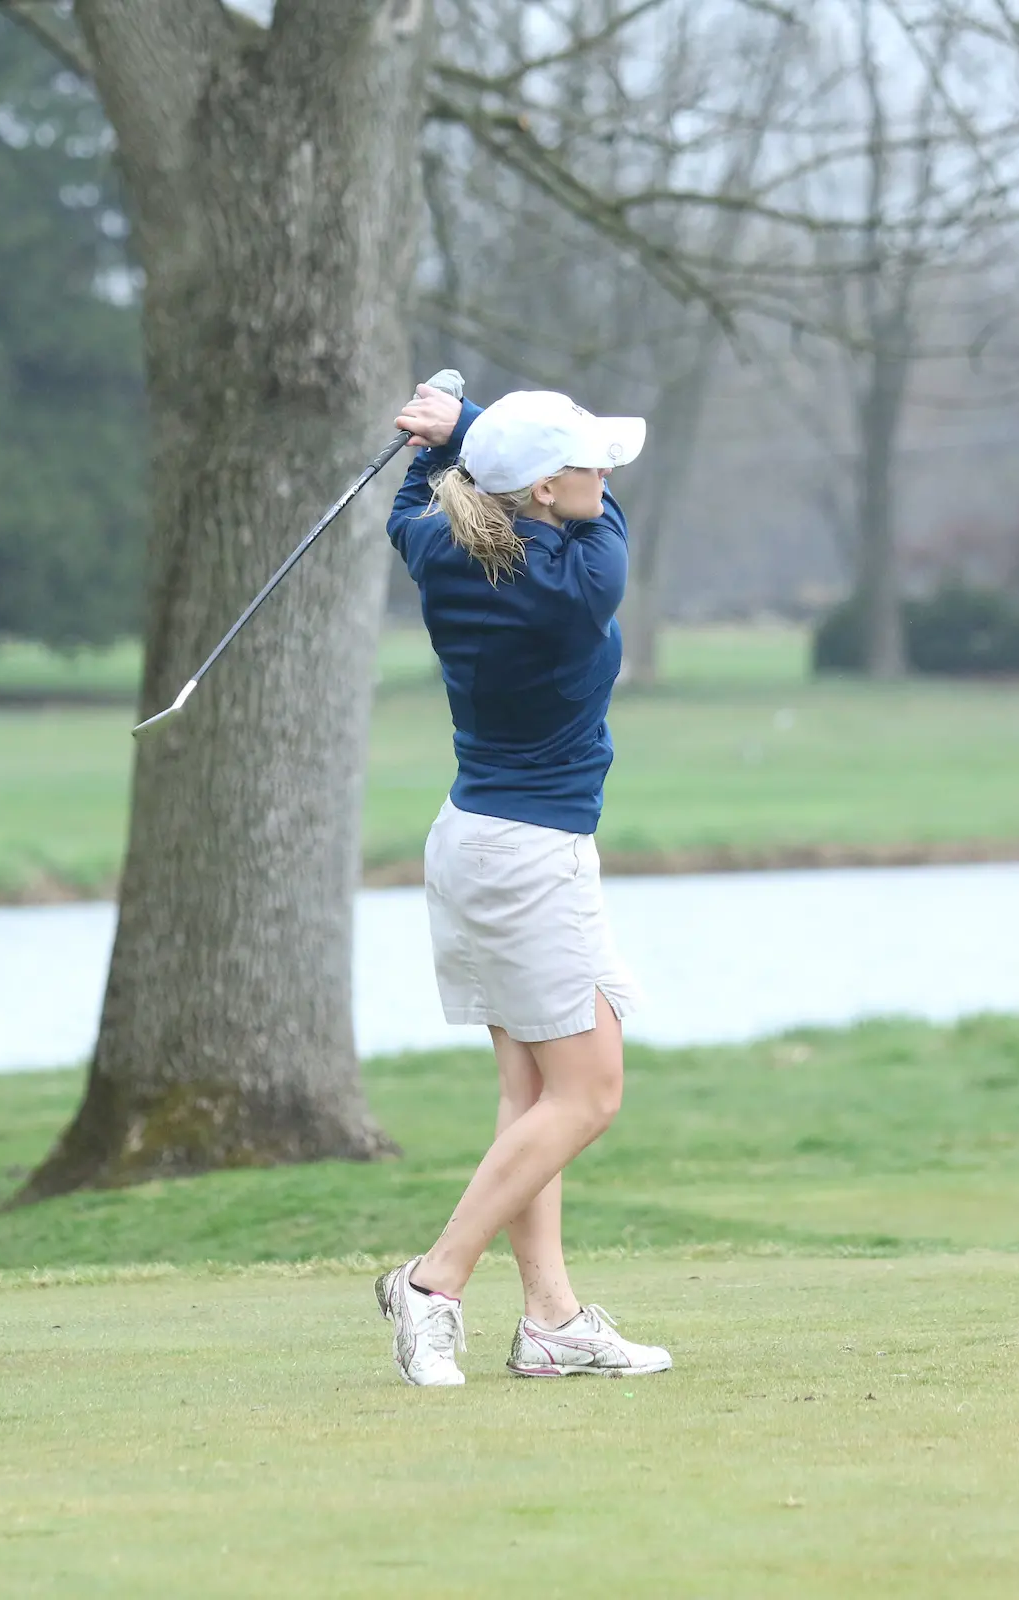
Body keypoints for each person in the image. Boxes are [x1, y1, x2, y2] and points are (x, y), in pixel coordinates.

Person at [370, 381, 672, 1388]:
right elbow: (607, 527)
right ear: (544, 489)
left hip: (476, 842)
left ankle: (551, 1320)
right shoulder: (577, 581)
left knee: (532, 1090)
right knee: (589, 1093)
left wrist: (449, 437)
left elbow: (415, 501)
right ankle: (432, 1282)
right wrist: (460, 429)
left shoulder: (434, 543)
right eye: (590, 462)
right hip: (529, 857)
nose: (606, 476)